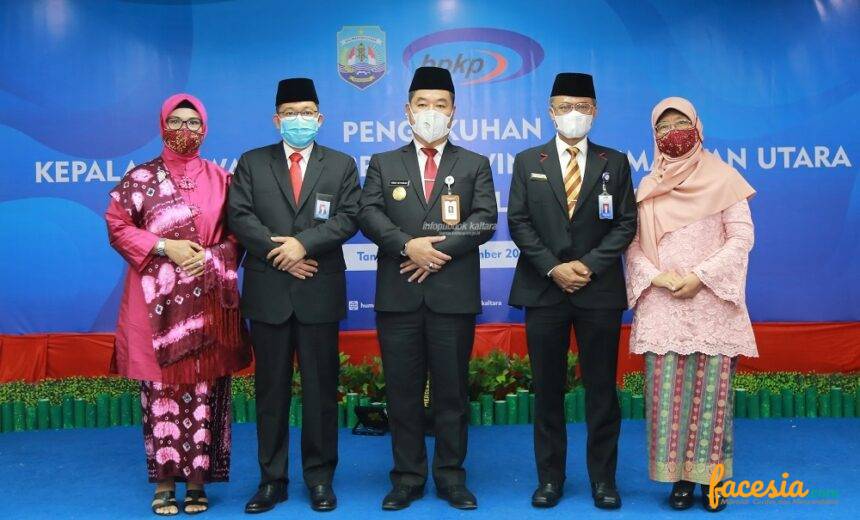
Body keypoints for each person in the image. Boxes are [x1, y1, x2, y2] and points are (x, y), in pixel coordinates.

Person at [358, 66, 497, 511]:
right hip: (399, 296)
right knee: (402, 392)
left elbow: (484, 219)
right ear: (408, 110)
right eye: (423, 104)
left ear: (453, 112)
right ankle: (407, 478)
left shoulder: (474, 163)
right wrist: (408, 246)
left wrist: (436, 252)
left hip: (451, 296)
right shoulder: (384, 163)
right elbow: (369, 214)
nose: (431, 112)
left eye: (441, 105)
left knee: (452, 393)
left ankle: (452, 477)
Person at [105, 93, 251, 516]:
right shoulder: (140, 179)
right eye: (176, 121)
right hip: (157, 308)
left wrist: (211, 256)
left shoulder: (222, 180)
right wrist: (164, 246)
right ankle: (165, 481)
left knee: (207, 387)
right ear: (162, 125)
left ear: (205, 129)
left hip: (208, 301)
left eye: (193, 122)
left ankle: (199, 481)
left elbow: (239, 235)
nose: (184, 130)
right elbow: (117, 226)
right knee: (161, 391)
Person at [227, 78, 360, 513]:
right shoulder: (252, 162)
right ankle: (272, 480)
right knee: (271, 392)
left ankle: (320, 479)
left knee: (321, 392)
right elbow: (239, 216)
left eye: (306, 113)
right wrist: (282, 255)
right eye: (290, 113)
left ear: (320, 118)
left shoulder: (340, 164)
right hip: (270, 292)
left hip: (319, 289)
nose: (298, 120)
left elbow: (349, 217)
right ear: (276, 119)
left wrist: (303, 244)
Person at [507, 73, 636, 510]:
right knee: (547, 391)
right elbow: (518, 221)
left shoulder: (614, 161)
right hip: (544, 290)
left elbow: (626, 223)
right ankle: (550, 479)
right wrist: (553, 267)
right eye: (564, 106)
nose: (573, 114)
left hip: (597, 291)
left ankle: (604, 480)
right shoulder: (528, 160)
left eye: (581, 106)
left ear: (594, 111)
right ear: (550, 111)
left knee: (601, 390)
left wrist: (588, 265)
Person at [626, 96, 757, 513]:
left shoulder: (725, 178)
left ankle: (712, 479)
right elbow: (632, 245)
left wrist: (701, 275)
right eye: (663, 127)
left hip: (711, 303)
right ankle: (679, 480)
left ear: (698, 127)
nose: (672, 133)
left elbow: (741, 237)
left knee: (712, 398)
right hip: (663, 304)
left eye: (680, 123)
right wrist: (656, 276)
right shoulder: (647, 187)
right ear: (653, 135)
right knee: (667, 399)